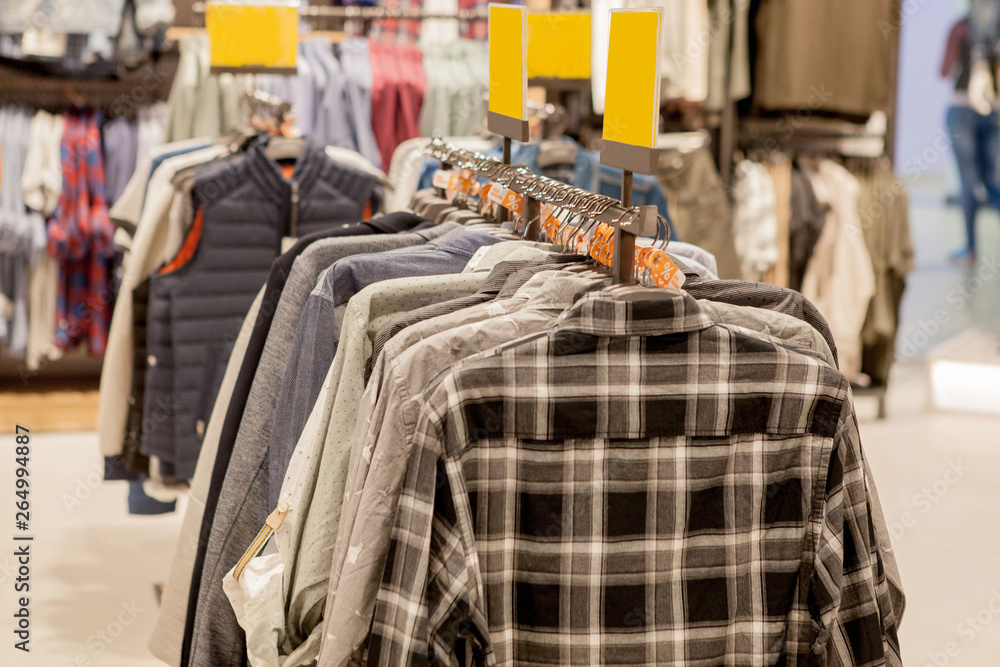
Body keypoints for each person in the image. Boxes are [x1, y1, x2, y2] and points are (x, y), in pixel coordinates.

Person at [941, 13, 1000, 266]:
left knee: (968, 180)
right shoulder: (996, 32)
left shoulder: (959, 27)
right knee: (991, 179)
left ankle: (970, 248)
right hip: (993, 109)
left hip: (962, 107)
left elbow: (944, 70)